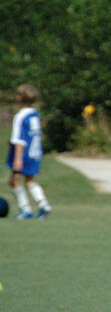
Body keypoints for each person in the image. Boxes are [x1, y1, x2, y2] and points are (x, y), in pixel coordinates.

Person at [6, 84, 51, 220]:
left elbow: (19, 140)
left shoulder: (20, 116)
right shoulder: (34, 115)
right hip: (35, 153)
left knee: (14, 180)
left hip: (22, 153)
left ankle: (25, 209)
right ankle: (43, 204)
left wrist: (17, 159)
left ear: (19, 98)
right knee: (30, 180)